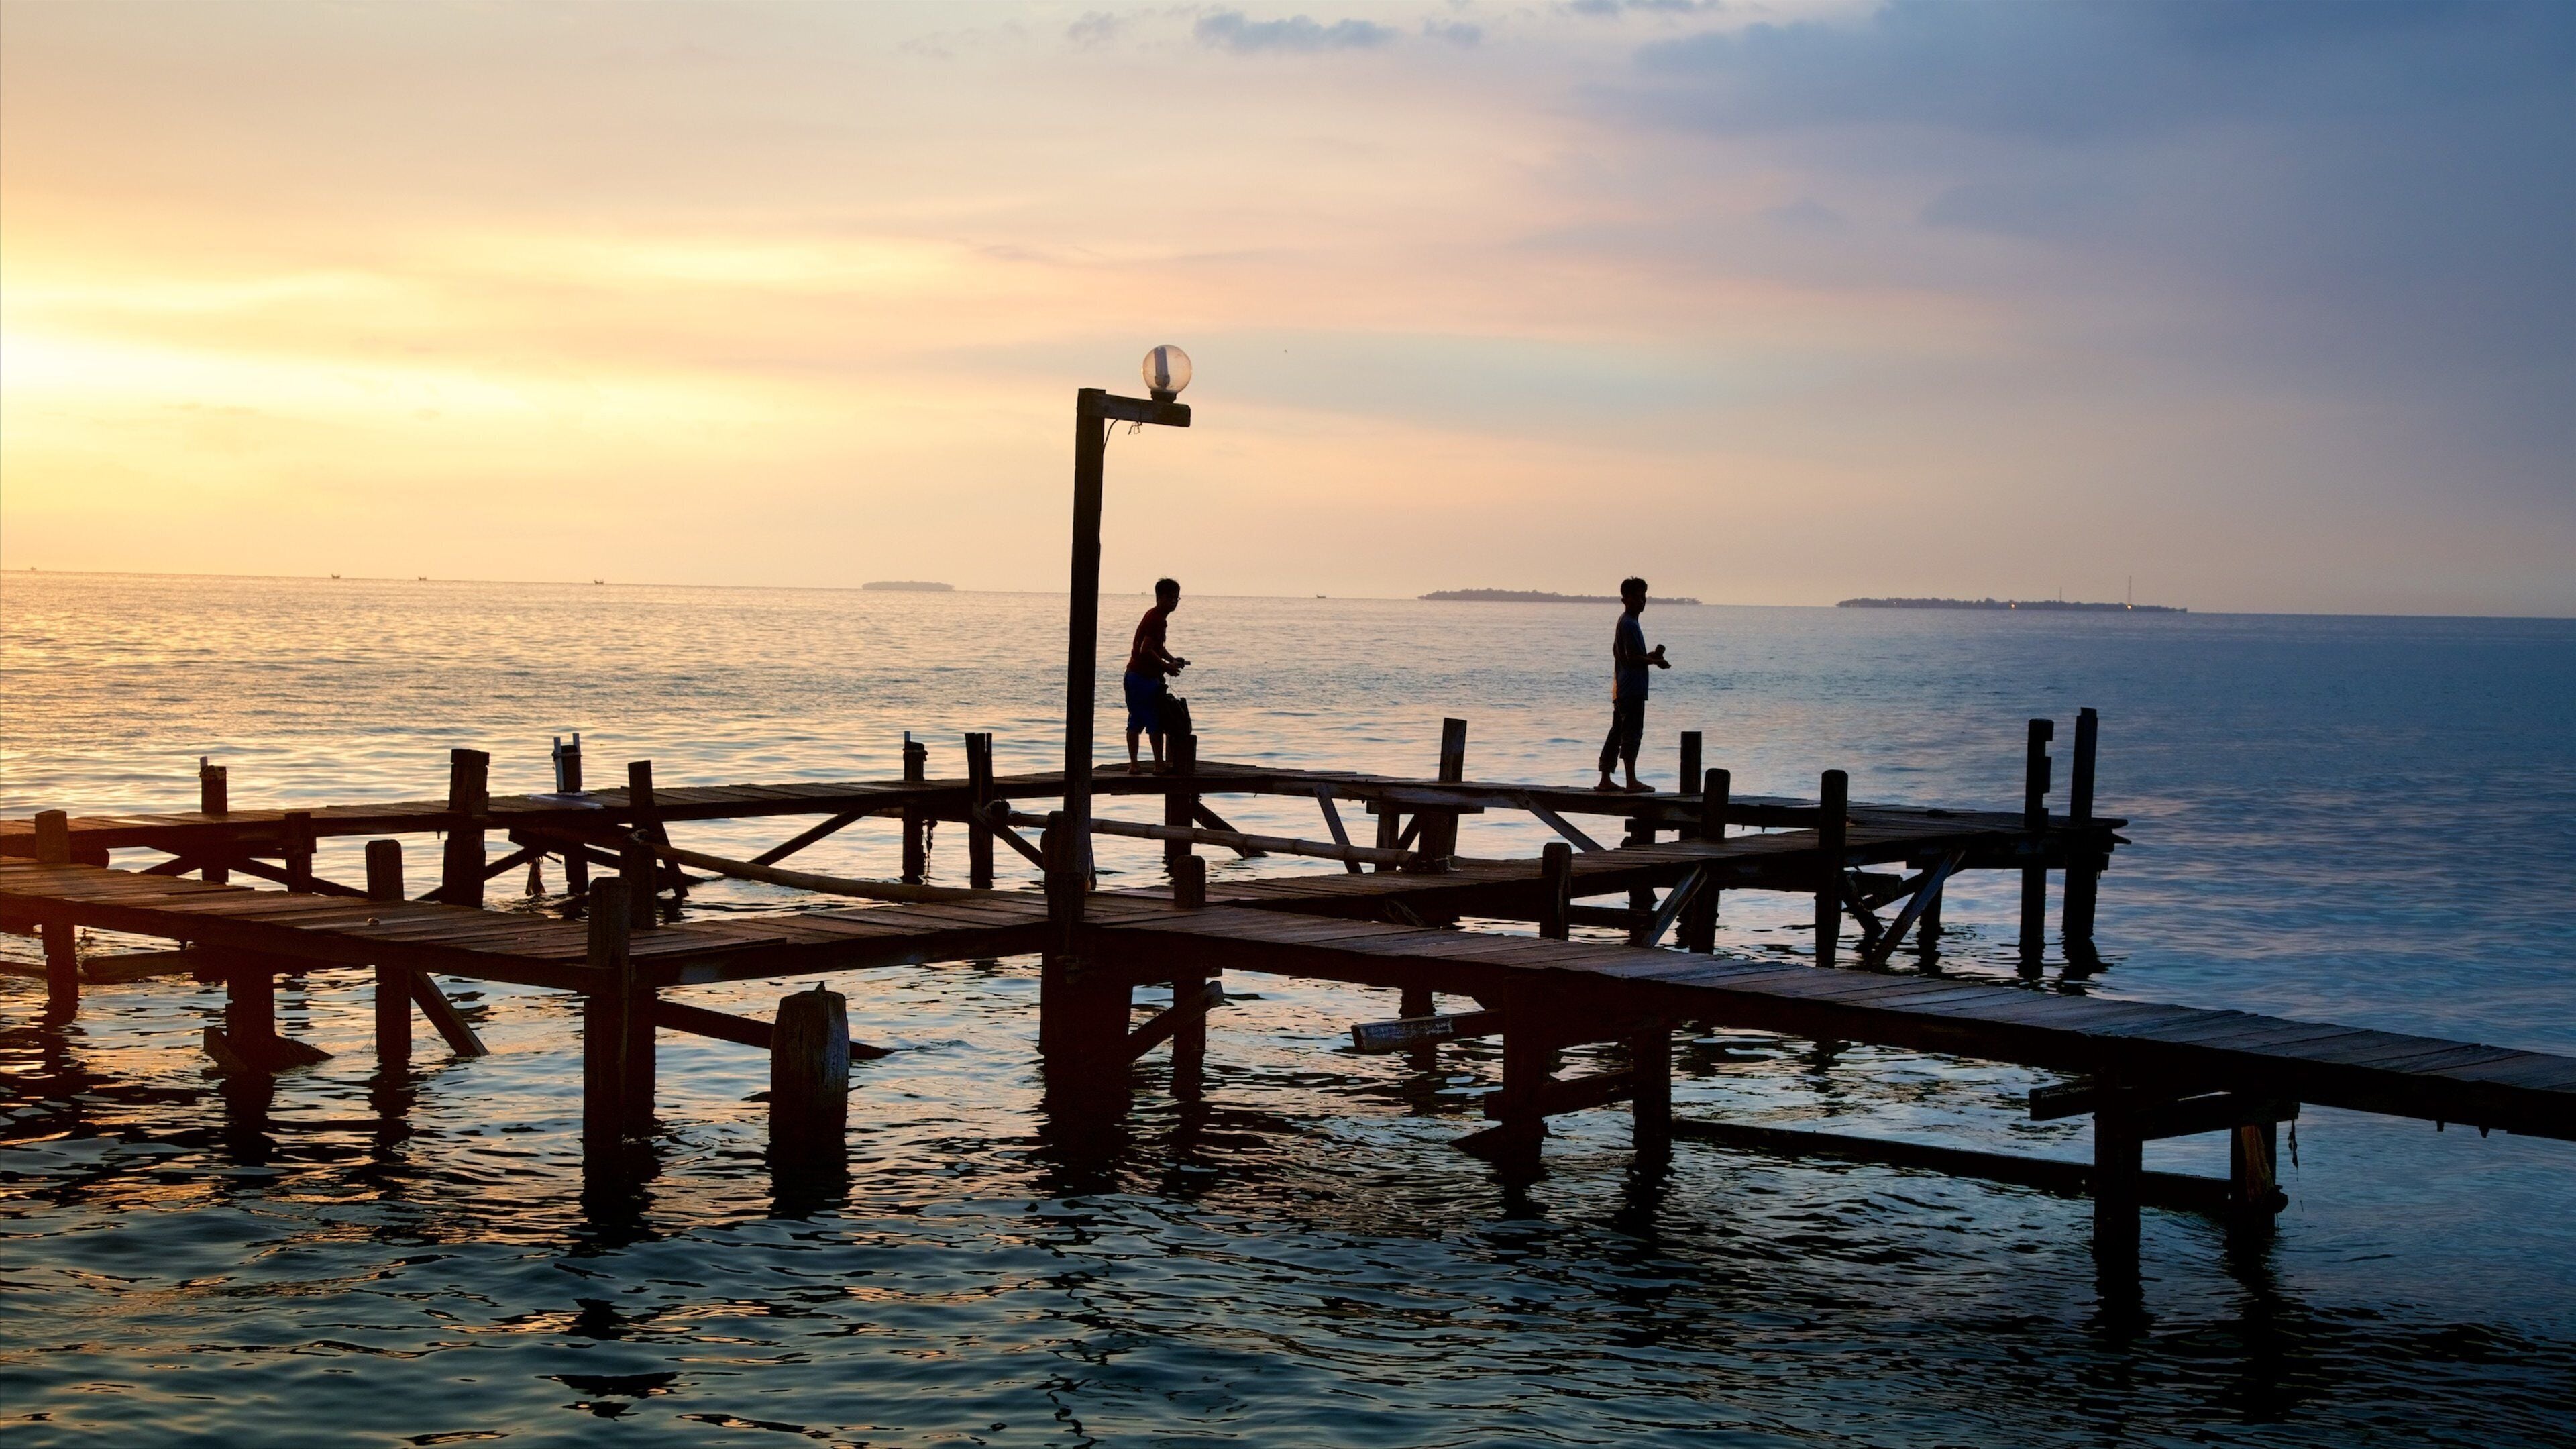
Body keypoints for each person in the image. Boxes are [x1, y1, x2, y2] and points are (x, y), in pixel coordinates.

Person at [1595, 576, 1670, 792]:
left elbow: (1628, 656)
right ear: (1625, 600)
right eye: (1637, 597)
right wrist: (1656, 662)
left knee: (1617, 731)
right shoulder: (1628, 623)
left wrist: (1652, 657)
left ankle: (1605, 779)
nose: (1642, 601)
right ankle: (1631, 781)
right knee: (1632, 733)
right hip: (1631, 689)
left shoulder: (1627, 622)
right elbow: (1631, 658)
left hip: (1622, 688)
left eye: (1643, 597)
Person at [1125, 578, 1190, 773]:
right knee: (1155, 720)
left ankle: (1135, 765)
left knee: (1135, 720)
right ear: (1159, 598)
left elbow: (1157, 647)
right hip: (1143, 679)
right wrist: (1167, 667)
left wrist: (1171, 660)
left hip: (1134, 676)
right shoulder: (1157, 620)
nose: (1174, 602)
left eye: (1176, 598)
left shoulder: (1155, 617)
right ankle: (1158, 765)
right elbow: (1146, 650)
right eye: (1169, 598)